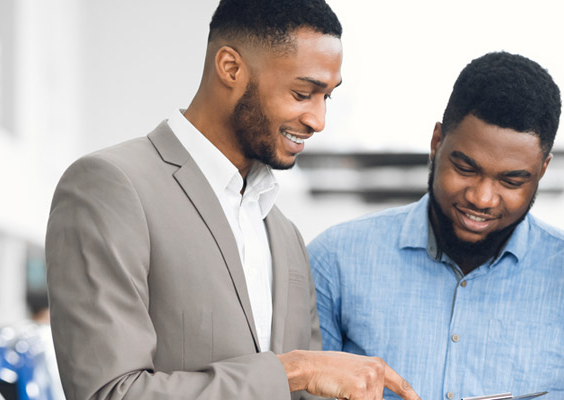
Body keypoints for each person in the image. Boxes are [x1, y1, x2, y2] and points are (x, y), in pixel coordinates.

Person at [45, 1, 420, 399]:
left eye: (326, 97)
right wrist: (293, 371)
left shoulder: (285, 235)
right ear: (230, 68)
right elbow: (109, 393)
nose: (318, 120)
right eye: (302, 92)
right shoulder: (110, 186)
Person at [308, 52, 564, 400]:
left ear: (542, 170)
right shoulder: (335, 261)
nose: (483, 198)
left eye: (512, 181)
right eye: (466, 169)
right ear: (436, 143)